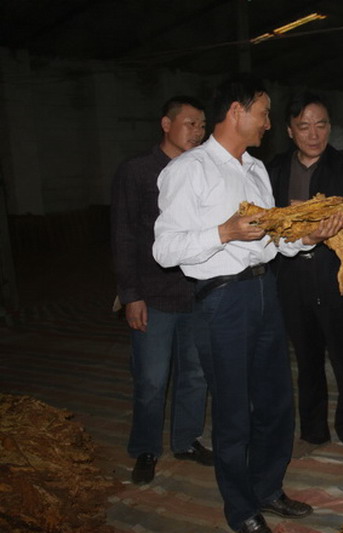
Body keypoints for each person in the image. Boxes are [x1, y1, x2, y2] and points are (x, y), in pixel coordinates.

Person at [153, 74, 343, 533]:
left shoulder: (255, 169)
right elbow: (165, 249)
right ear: (236, 112)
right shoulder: (189, 170)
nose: (269, 123)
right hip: (221, 301)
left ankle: (267, 489)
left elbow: (271, 240)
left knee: (277, 404)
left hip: (264, 292)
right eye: (263, 112)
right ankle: (240, 510)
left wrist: (308, 236)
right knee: (234, 412)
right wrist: (225, 231)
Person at [110, 95, 212, 484]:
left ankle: (186, 440)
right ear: (166, 125)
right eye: (190, 123)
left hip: (196, 292)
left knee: (195, 374)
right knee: (152, 378)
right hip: (152, 295)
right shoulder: (137, 171)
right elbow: (123, 236)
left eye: (202, 125)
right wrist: (130, 294)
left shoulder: (202, 171)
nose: (198, 132)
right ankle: (146, 448)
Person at [266, 92, 343, 466]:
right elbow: (266, 223)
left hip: (338, 276)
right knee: (307, 360)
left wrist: (335, 222)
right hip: (292, 278)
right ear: (289, 131)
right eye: (304, 126)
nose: (314, 134)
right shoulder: (272, 171)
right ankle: (312, 432)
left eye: (321, 125)